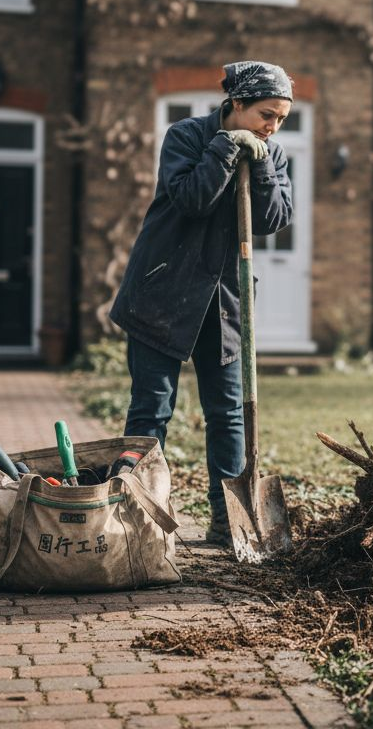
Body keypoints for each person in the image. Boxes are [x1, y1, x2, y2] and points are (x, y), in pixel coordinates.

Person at [110, 60, 295, 547]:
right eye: (266, 114)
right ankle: (136, 522)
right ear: (237, 103)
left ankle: (228, 523)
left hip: (225, 300)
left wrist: (261, 164)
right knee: (151, 411)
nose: (273, 127)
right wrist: (227, 147)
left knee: (228, 413)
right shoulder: (187, 137)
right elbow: (193, 199)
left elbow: (274, 218)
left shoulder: (272, 153)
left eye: (281, 118)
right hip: (162, 292)